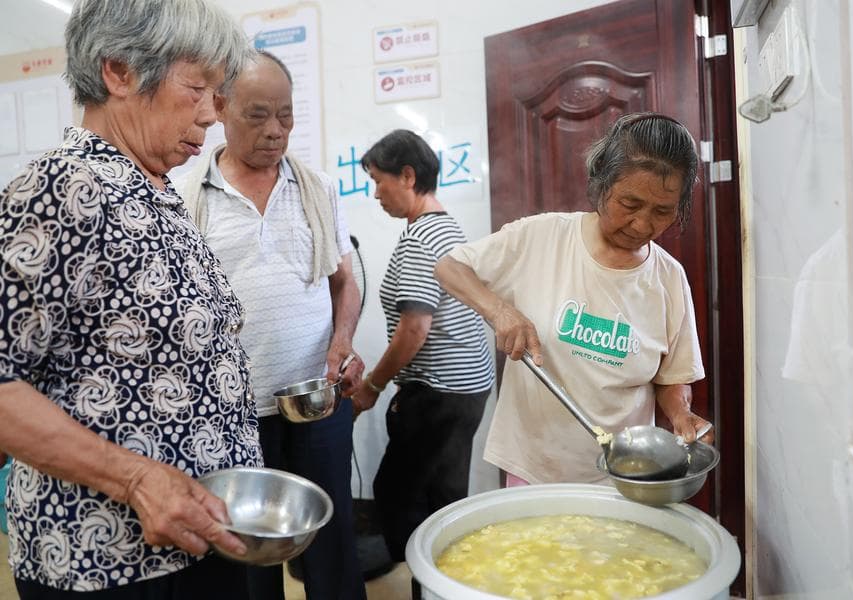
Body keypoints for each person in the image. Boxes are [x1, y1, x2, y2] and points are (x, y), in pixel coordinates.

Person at [0, 1, 261, 598]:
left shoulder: (156, 189)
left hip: (196, 535)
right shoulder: (63, 187)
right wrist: (138, 479)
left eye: (217, 96)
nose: (211, 117)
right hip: (110, 561)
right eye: (196, 88)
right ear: (118, 72)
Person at [175, 51, 366, 600]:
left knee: (332, 544)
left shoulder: (319, 189)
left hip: (316, 402)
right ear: (220, 108)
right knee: (248, 554)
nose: (276, 130)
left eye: (286, 114)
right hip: (233, 410)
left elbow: (344, 281)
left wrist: (343, 340)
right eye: (258, 115)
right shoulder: (187, 200)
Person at [434, 112, 714, 486]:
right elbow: (450, 267)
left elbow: (671, 376)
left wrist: (681, 415)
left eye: (662, 211)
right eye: (630, 204)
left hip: (624, 474)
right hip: (535, 464)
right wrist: (499, 310)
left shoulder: (669, 278)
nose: (644, 225)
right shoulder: (541, 237)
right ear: (601, 184)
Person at [353, 129, 495, 564]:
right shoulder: (446, 226)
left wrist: (374, 386)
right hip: (465, 387)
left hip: (441, 394)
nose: (375, 193)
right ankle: (446, 584)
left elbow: (415, 328)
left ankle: (430, 583)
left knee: (396, 494)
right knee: (443, 496)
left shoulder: (419, 239)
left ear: (408, 176)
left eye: (379, 180)